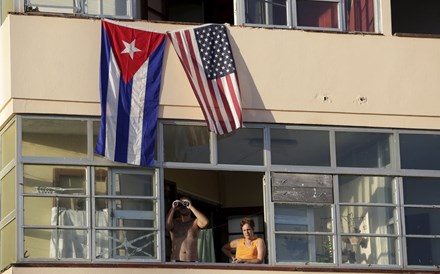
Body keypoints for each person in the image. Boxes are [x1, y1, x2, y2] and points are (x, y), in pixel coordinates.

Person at [166, 197, 209, 262]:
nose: (183, 207)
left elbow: (205, 222)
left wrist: (191, 207)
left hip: (192, 260)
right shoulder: (175, 222)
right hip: (176, 260)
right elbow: (167, 225)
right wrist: (173, 208)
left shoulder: (195, 222)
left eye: (186, 204)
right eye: (181, 205)